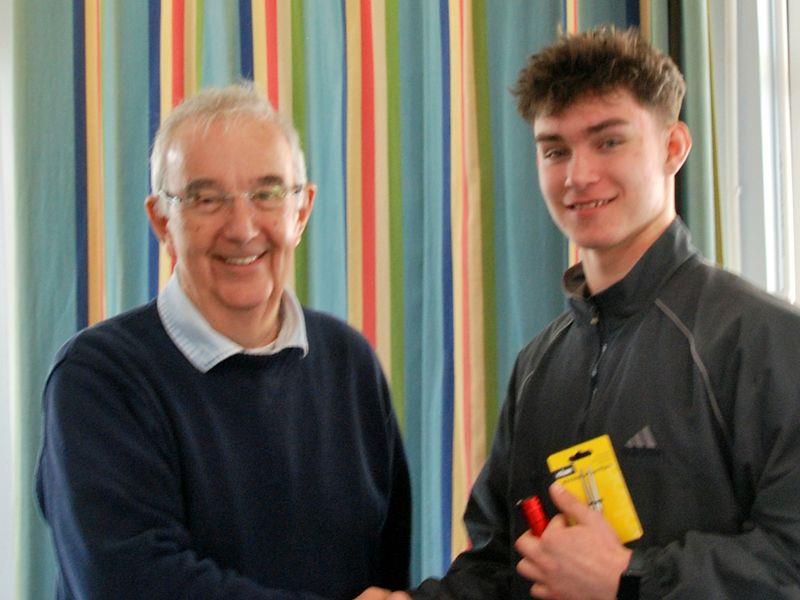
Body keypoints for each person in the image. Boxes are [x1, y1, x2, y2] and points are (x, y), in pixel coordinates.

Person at [363, 26, 800, 600]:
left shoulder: (764, 339)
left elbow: (790, 559)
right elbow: (505, 560)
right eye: (555, 150)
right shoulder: (538, 365)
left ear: (673, 147)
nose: (578, 176)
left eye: (609, 141)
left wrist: (628, 580)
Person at [36, 84, 410, 599]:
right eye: (205, 198)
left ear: (301, 212)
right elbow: (130, 584)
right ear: (162, 221)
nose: (241, 228)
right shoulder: (98, 378)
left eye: (268, 193)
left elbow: (384, 573)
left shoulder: (350, 364)